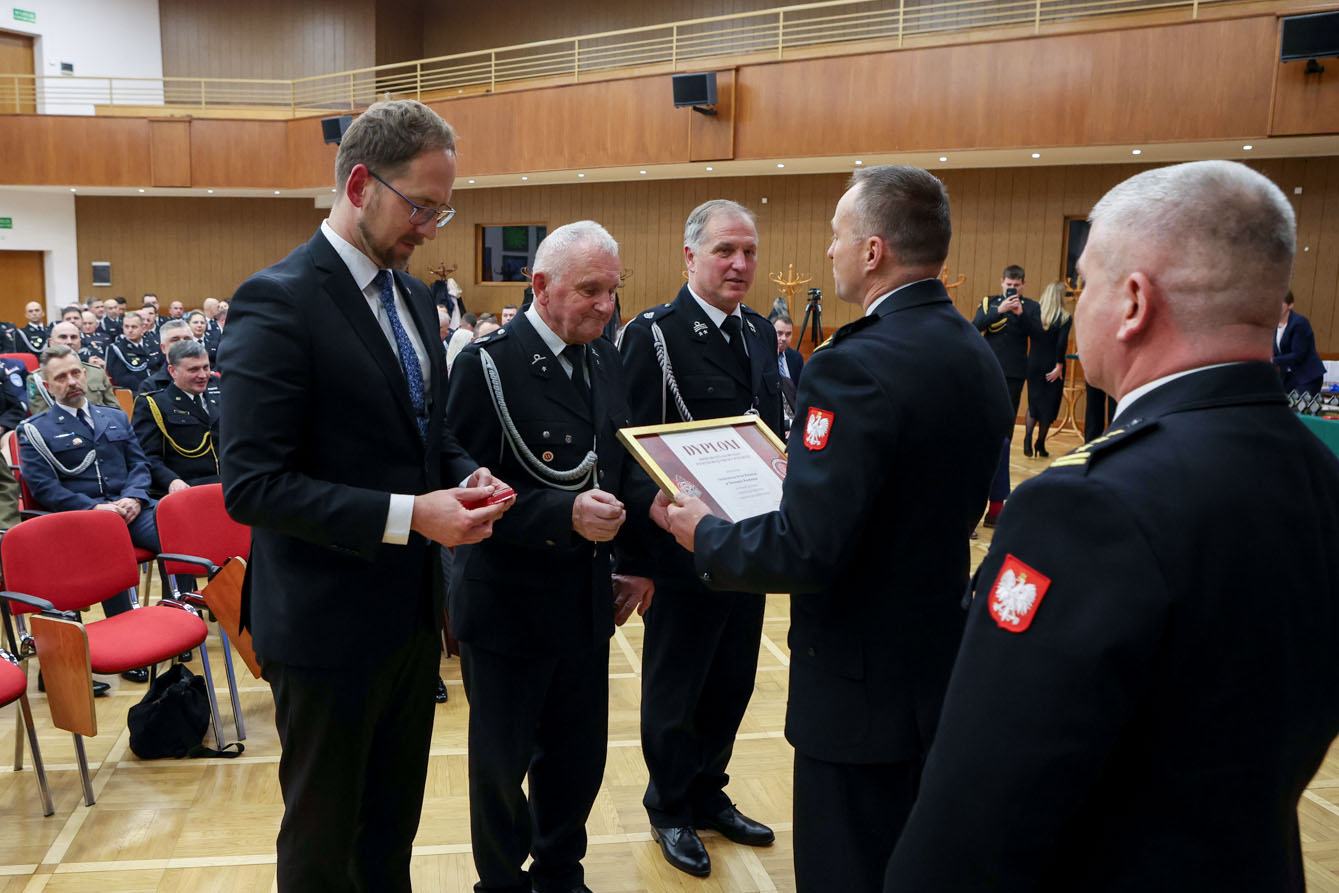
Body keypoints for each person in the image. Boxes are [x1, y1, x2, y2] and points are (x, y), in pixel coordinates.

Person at [884, 160, 1339, 891]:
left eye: (1085, 283)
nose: (1079, 301)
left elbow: (978, 804)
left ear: (1132, 302)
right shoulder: (1318, 472)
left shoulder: (1087, 506)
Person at [656, 166, 1013, 893]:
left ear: (873, 250)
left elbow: (806, 548)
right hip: (935, 667)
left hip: (855, 687)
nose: (828, 251)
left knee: (844, 866)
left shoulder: (854, 365)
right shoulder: (971, 349)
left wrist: (705, 534)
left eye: (836, 234)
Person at [219, 99, 511, 893]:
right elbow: (253, 485)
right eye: (421, 206)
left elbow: (426, 437)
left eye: (443, 210)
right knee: (323, 845)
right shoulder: (277, 300)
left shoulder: (414, 298)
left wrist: (464, 474)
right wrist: (412, 515)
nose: (431, 227)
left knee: (389, 834)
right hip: (322, 623)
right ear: (358, 185)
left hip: (409, 616)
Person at [445, 220, 653, 893]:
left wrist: (638, 557)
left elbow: (621, 467)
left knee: (576, 756)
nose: (605, 305)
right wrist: (562, 514)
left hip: (585, 599)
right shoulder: (487, 365)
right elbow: (463, 490)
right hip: (507, 602)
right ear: (540, 285)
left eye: (612, 290)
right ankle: (501, 881)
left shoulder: (605, 357)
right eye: (590, 290)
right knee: (501, 766)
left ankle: (561, 872)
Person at [618, 198, 783, 878]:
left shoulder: (758, 333)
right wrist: (633, 558)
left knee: (732, 682)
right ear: (690, 256)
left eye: (748, 251)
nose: (740, 263)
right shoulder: (653, 336)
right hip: (679, 554)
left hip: (746, 545)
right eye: (725, 250)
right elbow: (625, 447)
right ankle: (669, 806)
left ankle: (708, 792)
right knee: (675, 689)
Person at [18, 346, 164, 682]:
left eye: (75, 373)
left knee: (179, 535)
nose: (71, 381)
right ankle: (122, 648)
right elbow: (44, 488)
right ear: (47, 385)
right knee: (106, 545)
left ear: (85, 374)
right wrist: (94, 509)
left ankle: (187, 610)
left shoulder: (114, 417)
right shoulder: (36, 430)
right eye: (61, 377)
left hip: (128, 510)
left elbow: (139, 464)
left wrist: (134, 497)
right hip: (80, 520)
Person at [973, 264, 1041, 526]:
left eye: (1016, 285)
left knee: (1004, 435)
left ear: (1023, 285)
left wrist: (1021, 315)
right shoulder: (989, 303)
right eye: (1008, 284)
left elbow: (1039, 336)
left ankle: (997, 505)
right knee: (982, 432)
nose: (1012, 289)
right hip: (987, 371)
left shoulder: (1031, 307)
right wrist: (998, 311)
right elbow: (974, 327)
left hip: (1013, 375)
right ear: (1001, 281)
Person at [132, 340, 221, 497]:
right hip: (186, 488)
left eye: (206, 367)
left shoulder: (219, 397)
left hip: (226, 485)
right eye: (193, 369)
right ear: (172, 371)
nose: (203, 375)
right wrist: (171, 480)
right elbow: (147, 457)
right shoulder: (154, 404)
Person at [1021, 280, 1072, 457]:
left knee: (1033, 403)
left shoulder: (1035, 314)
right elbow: (1061, 344)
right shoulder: (1064, 317)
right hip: (1052, 365)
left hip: (1033, 363)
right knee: (1048, 405)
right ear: (1060, 297)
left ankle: (1027, 437)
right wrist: (1059, 365)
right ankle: (1040, 443)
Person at [27, 322, 118, 415]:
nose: (69, 341)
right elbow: (43, 417)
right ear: (51, 342)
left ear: (80, 342)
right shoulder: (38, 378)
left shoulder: (97, 372)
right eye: (63, 337)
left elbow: (114, 409)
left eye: (73, 337)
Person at [1274, 290, 1327, 397]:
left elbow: (1298, 354)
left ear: (1290, 305)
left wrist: (1272, 360)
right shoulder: (1272, 325)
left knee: (1297, 404)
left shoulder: (1300, 323)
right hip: (1287, 377)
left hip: (1307, 377)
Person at [132, 319, 193, 399]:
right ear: (163, 348)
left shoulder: (206, 379)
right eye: (175, 340)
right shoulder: (150, 386)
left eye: (187, 339)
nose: (182, 344)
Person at [106, 311, 155, 391]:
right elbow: (120, 378)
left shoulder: (153, 343)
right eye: (126, 327)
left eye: (134, 327)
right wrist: (147, 386)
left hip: (157, 387)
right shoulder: (116, 348)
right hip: (135, 391)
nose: (130, 330)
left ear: (143, 328)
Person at [774, 314, 804, 438]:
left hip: (795, 420)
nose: (783, 338)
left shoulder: (796, 358)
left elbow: (803, 393)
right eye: (779, 333)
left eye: (788, 334)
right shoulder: (761, 357)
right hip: (773, 420)